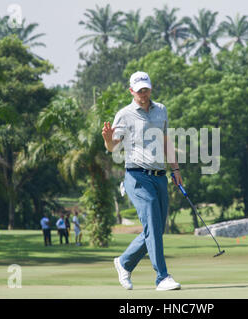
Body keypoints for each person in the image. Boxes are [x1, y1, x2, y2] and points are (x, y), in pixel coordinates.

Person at [102, 71, 183, 291]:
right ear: (131, 91)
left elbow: (166, 141)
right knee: (153, 226)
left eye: (146, 89)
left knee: (156, 228)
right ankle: (162, 277)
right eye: (139, 91)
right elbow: (113, 147)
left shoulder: (161, 110)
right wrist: (108, 140)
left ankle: (124, 262)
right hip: (137, 176)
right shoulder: (125, 114)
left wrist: (175, 169)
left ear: (150, 88)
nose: (143, 94)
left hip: (160, 176)